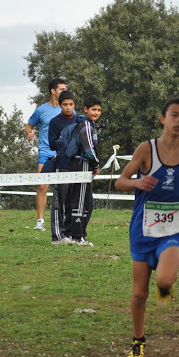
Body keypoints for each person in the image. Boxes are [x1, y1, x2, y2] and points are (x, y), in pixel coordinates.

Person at [115, 97, 179, 357]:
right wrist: (138, 182)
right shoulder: (146, 150)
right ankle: (138, 343)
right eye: (174, 115)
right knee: (139, 293)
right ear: (162, 118)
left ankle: (165, 283)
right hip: (144, 228)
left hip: (175, 226)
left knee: (165, 281)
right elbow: (120, 181)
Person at [24, 78, 70, 231]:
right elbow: (28, 126)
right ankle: (40, 221)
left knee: (64, 189)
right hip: (45, 152)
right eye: (61, 89)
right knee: (42, 186)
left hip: (63, 154)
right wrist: (29, 134)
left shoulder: (69, 109)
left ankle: (63, 218)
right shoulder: (41, 110)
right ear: (53, 91)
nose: (64, 91)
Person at [68, 95, 102, 246]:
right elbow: (88, 150)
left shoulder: (87, 124)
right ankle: (78, 236)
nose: (96, 112)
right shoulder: (86, 126)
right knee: (81, 201)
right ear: (86, 109)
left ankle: (77, 233)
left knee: (87, 201)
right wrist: (96, 165)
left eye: (99, 110)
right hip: (82, 165)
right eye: (93, 109)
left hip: (83, 165)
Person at [47, 90, 78, 244]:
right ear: (60, 105)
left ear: (74, 104)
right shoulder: (54, 122)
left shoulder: (79, 120)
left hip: (77, 166)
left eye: (70, 104)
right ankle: (57, 236)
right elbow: (52, 144)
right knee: (60, 201)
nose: (68, 107)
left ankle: (71, 233)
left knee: (74, 201)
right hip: (62, 166)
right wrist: (65, 140)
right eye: (65, 104)